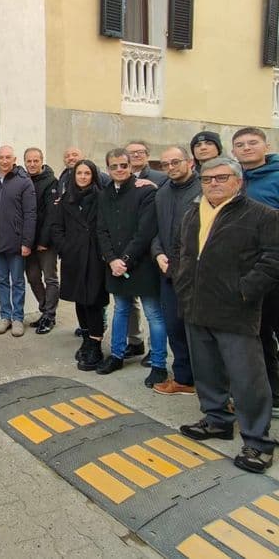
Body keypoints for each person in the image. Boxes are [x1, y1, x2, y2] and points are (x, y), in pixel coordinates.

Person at [175, 157, 279, 473]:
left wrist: (245, 291)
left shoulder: (262, 215)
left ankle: (258, 442)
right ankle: (217, 420)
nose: (213, 184)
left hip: (236, 310)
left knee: (247, 378)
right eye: (207, 179)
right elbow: (183, 251)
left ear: (238, 181)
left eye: (221, 178)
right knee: (206, 370)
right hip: (196, 305)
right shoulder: (194, 211)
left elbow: (273, 259)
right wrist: (182, 283)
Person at [96, 148, 168, 388]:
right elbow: (102, 230)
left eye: (123, 166)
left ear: (130, 167)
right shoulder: (104, 193)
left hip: (142, 263)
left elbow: (145, 231)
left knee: (153, 314)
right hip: (115, 264)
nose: (119, 170)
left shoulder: (145, 190)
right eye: (114, 166)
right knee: (121, 310)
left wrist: (125, 259)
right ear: (108, 169)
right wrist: (111, 259)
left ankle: (158, 364)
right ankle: (116, 356)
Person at [231, 127, 279, 416]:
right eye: (240, 144)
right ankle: (271, 392)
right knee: (258, 336)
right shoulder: (234, 179)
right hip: (244, 273)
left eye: (252, 143)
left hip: (274, 268)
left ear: (266, 145)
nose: (246, 148)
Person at [150, 146, 200, 395]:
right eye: (165, 164)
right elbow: (156, 230)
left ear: (189, 162)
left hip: (198, 274)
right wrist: (158, 253)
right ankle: (183, 378)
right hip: (168, 271)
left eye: (175, 162)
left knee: (200, 332)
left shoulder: (204, 189)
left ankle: (212, 385)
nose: (170, 167)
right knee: (174, 326)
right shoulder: (163, 192)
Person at [51, 160, 109, 371]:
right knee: (78, 298)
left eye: (87, 173)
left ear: (93, 175)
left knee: (92, 299)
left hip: (94, 256)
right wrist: (66, 247)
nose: (83, 177)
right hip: (73, 256)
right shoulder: (66, 198)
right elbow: (56, 227)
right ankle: (86, 337)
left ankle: (95, 344)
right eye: (79, 173)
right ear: (74, 176)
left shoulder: (103, 197)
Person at [0, 145, 36, 337]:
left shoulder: (24, 182)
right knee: (2, 281)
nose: (4, 161)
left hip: (16, 242)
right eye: (1, 157)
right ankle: (5, 316)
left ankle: (18, 319)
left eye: (8, 157)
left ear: (14, 159)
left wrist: (27, 242)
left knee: (18, 282)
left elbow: (30, 214)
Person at [23, 147, 60, 334]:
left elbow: (51, 215)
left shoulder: (52, 182)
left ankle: (50, 315)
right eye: (28, 161)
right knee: (33, 277)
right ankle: (45, 310)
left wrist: (44, 241)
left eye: (35, 161)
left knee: (50, 278)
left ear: (42, 161)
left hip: (46, 242)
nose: (32, 164)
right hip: (28, 241)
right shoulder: (23, 180)